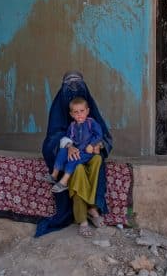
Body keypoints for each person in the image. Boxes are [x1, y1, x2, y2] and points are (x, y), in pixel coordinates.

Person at [36, 72, 112, 237]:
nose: (74, 91)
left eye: (78, 86)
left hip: (90, 155)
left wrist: (98, 145)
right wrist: (69, 146)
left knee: (98, 160)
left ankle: (92, 207)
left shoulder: (91, 119)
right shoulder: (60, 112)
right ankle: (85, 215)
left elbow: (104, 137)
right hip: (72, 159)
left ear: (87, 110)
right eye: (69, 87)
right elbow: (51, 141)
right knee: (77, 171)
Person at [43, 97, 104, 194]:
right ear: (71, 114)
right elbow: (68, 139)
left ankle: (64, 182)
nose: (79, 114)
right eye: (76, 112)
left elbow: (99, 135)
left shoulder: (91, 122)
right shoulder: (72, 126)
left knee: (73, 158)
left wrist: (91, 145)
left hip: (86, 152)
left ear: (87, 111)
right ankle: (54, 175)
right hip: (75, 149)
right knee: (63, 151)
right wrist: (69, 146)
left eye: (82, 111)